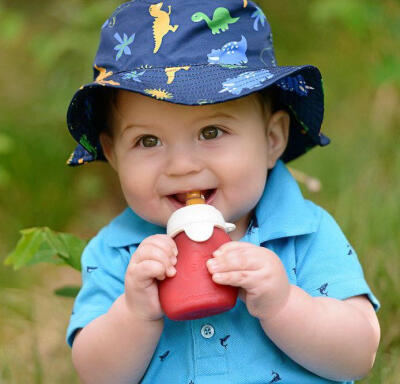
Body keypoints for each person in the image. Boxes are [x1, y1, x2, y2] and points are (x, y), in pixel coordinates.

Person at [65, 1, 380, 383]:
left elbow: (358, 355)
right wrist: (134, 313)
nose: (182, 166)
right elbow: (97, 376)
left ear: (271, 139)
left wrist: (284, 305)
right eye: (148, 141)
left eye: (211, 132)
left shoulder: (305, 234)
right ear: (114, 154)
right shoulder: (119, 253)